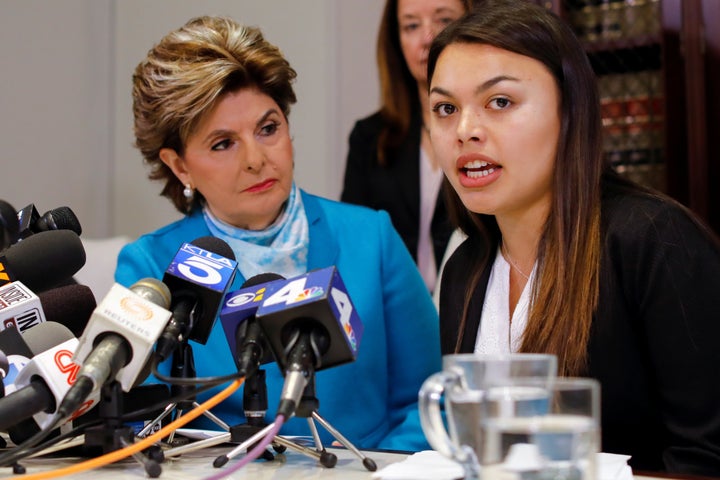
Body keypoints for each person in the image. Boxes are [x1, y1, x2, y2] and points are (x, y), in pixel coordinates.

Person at [115, 15, 441, 452]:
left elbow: (427, 402)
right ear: (179, 165)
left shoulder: (372, 239)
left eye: (268, 129)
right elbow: (139, 425)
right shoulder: (152, 266)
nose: (255, 159)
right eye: (222, 143)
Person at [429, 0, 720, 475]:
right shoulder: (465, 269)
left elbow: (706, 456)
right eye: (445, 108)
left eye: (499, 102)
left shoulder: (656, 242)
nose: (465, 131)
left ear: (571, 113)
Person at [341, 0, 471, 294]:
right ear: (396, 40)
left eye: (444, 20)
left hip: (471, 309)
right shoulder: (369, 137)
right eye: (412, 26)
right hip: (396, 313)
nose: (428, 38)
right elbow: (355, 245)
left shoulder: (485, 132)